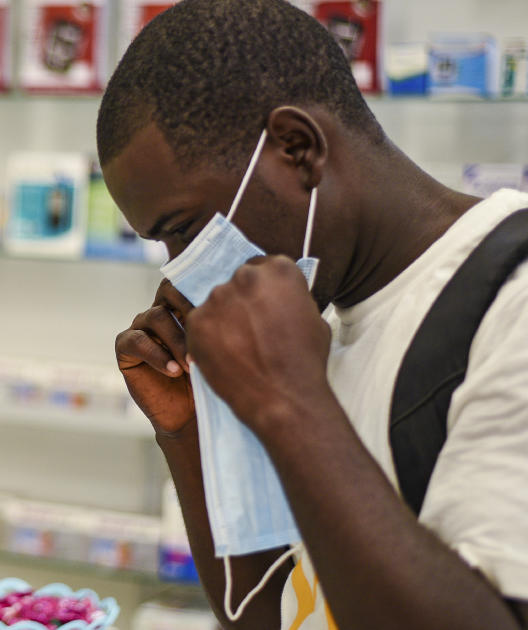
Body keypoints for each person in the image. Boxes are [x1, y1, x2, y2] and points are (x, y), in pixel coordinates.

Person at [96, 1, 528, 629]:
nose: (180, 270)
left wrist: (286, 401)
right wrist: (191, 431)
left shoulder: (507, 302)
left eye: (185, 230)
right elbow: (275, 616)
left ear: (298, 149)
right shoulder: (315, 314)